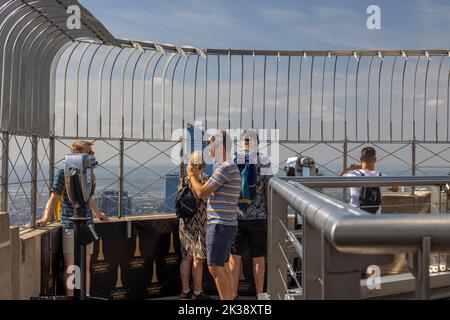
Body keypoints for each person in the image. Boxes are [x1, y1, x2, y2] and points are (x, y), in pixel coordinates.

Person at [36, 140, 107, 296]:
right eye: (89, 153)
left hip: (88, 224)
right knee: (71, 267)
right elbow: (55, 196)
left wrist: (98, 214)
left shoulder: (90, 172)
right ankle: (71, 296)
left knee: (85, 266)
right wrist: (46, 217)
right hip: (69, 223)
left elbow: (90, 197)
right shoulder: (63, 172)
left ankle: (85, 295)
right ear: (78, 153)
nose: (92, 156)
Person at [187, 130, 241, 300]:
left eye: (212, 147)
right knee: (223, 266)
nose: (210, 152)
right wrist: (198, 176)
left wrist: (191, 174)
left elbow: (202, 192)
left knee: (215, 267)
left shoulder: (225, 168)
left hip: (220, 225)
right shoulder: (229, 168)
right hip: (227, 224)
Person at [229, 129, 272, 300]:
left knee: (234, 258)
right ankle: (260, 295)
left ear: (241, 142)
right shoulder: (264, 160)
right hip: (258, 216)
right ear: (257, 142)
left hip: (236, 216)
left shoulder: (232, 160)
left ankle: (233, 295)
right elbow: (269, 189)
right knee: (258, 259)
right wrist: (268, 213)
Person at [178, 151, 210, 300]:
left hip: (185, 224)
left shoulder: (183, 180)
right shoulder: (206, 180)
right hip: (201, 223)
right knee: (198, 259)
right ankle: (197, 292)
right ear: (203, 164)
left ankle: (184, 291)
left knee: (186, 258)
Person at [344, 147, 398, 213]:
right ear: (375, 159)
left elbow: (341, 177)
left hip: (356, 214)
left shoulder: (353, 175)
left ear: (361, 159)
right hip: (374, 217)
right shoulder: (381, 176)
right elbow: (395, 188)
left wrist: (354, 167)